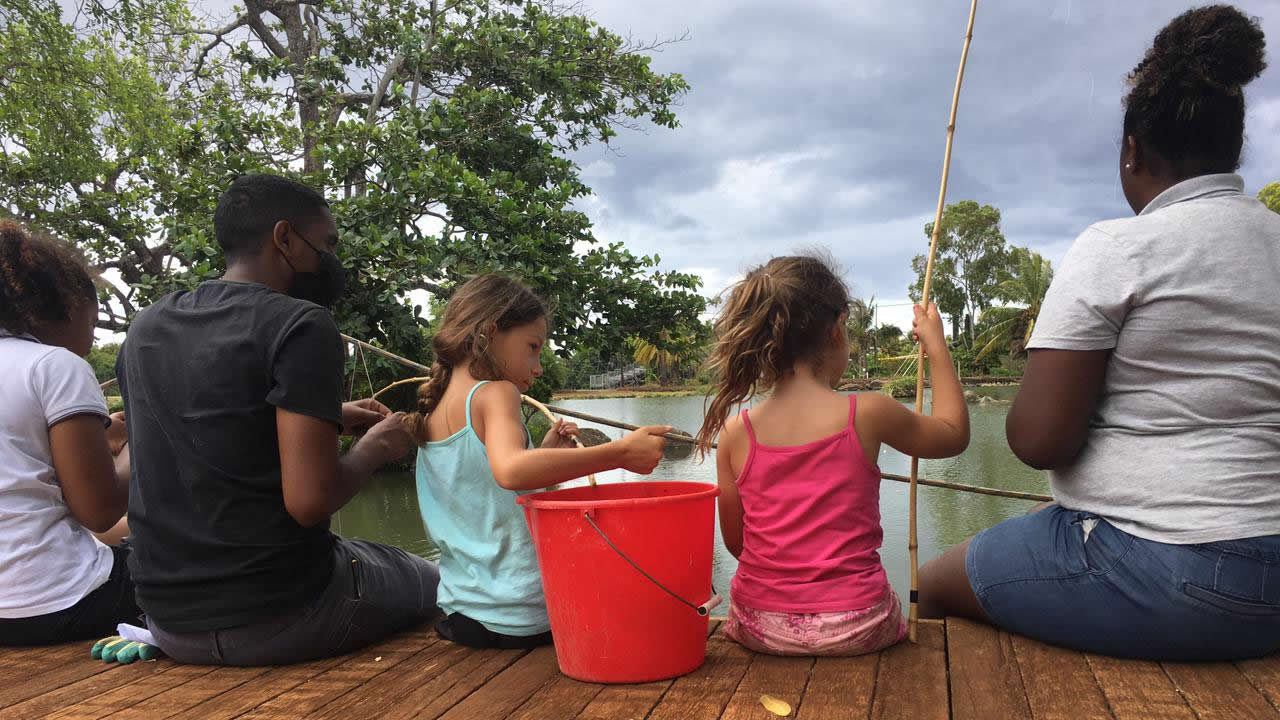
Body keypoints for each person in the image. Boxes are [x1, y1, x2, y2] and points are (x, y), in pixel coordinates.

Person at [919, 5, 1280, 661]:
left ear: (1132, 152)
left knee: (934, 585)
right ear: (1234, 148)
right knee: (1042, 527)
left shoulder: (1118, 248)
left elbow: (1037, 441)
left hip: (1173, 576)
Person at [117, 173, 439, 665]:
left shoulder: (145, 327)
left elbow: (211, 425)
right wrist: (377, 446)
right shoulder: (301, 324)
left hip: (170, 622)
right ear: (284, 237)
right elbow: (310, 502)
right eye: (327, 245)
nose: (330, 260)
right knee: (439, 580)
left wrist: (329, 417)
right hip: (286, 614)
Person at [695, 255, 969, 656]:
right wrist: (936, 346)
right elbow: (953, 434)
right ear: (837, 329)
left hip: (760, 625)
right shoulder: (869, 412)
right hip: (858, 624)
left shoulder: (736, 434)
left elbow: (738, 545)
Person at [404, 274, 671, 649]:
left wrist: (545, 453)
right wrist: (620, 453)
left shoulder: (433, 411)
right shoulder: (497, 392)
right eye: (533, 347)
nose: (538, 366)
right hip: (522, 616)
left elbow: (489, 497)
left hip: (462, 614)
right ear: (489, 333)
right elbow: (510, 471)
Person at [0, 220, 136, 645]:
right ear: (67, 306)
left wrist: (102, 438)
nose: (91, 339)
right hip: (55, 601)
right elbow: (99, 511)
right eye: (92, 323)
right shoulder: (54, 365)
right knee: (190, 563)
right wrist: (139, 442)